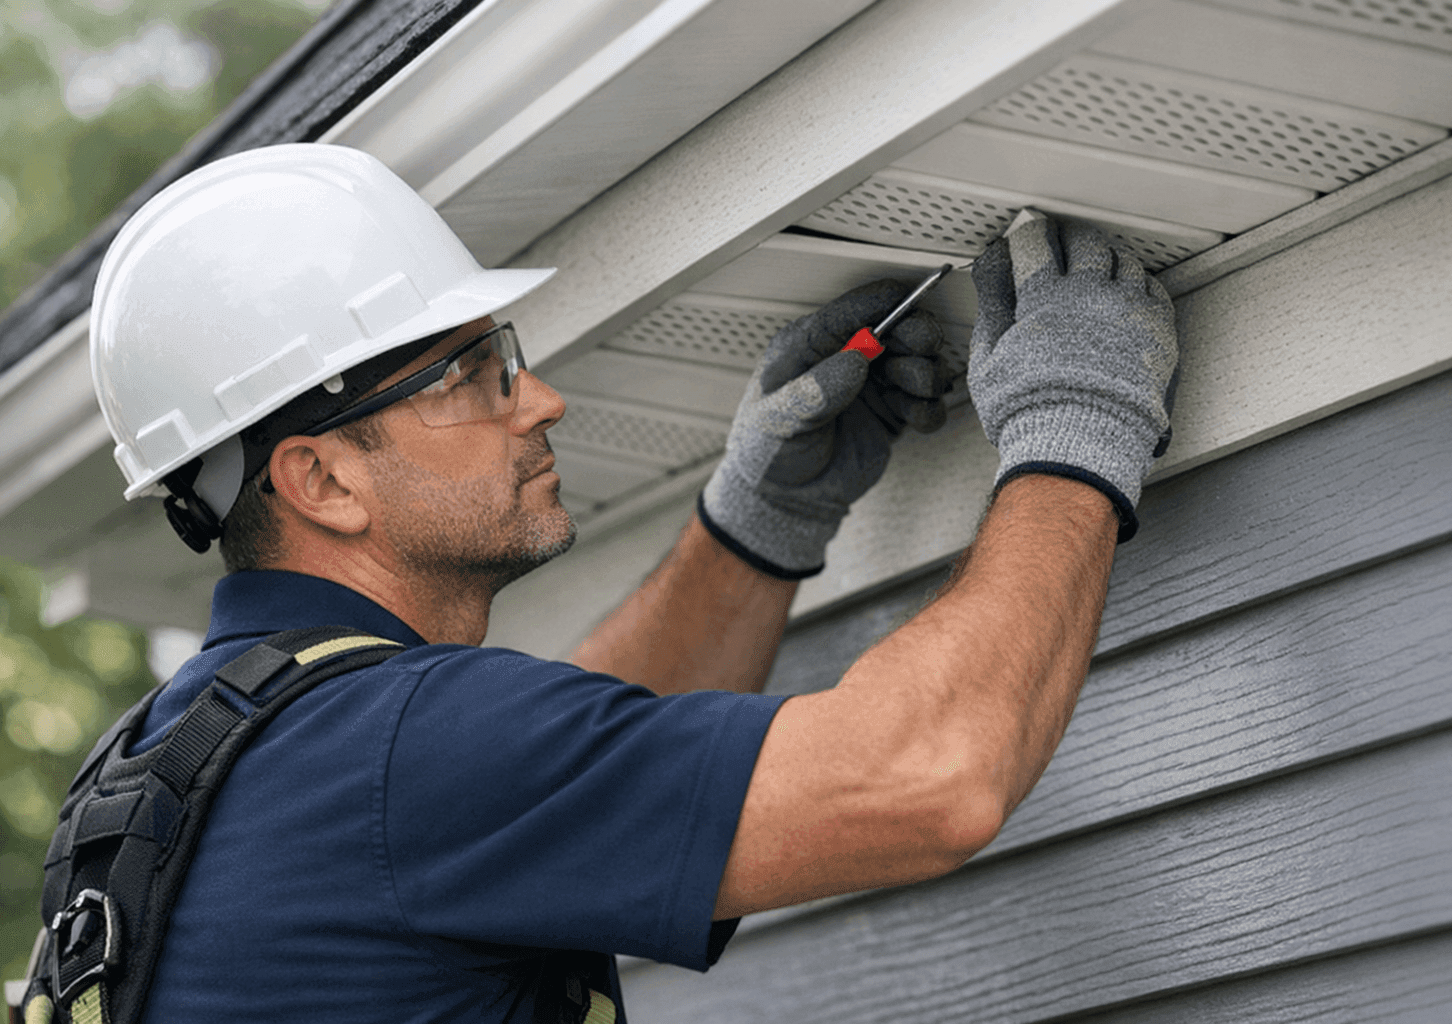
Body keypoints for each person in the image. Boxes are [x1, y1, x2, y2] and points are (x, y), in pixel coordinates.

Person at [55, 143, 1177, 1022]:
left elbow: (547, 785)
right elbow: (927, 775)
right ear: (322, 479)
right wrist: (1074, 433)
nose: (538, 402)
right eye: (473, 375)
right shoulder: (405, 752)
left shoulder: (187, 760)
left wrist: (757, 527)